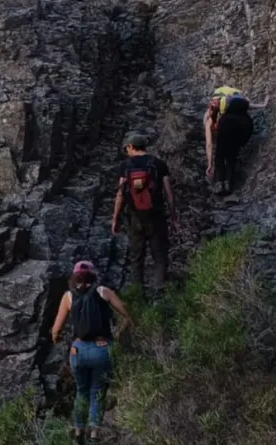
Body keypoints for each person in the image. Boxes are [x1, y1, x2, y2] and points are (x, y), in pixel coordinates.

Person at [52, 261, 132, 444]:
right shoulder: (103, 292)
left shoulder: (68, 296)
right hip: (102, 348)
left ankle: (79, 430)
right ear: (93, 275)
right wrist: (123, 332)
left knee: (81, 391)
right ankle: (94, 433)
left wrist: (56, 339)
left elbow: (56, 329)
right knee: (97, 391)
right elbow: (126, 314)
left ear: (75, 277)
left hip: (78, 349)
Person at [111, 133, 177, 293]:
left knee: (136, 258)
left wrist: (115, 218)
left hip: (134, 217)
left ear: (130, 147)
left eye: (126, 149)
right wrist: (173, 216)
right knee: (160, 256)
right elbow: (169, 193)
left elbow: (120, 194)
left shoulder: (125, 166)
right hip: (156, 216)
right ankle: (158, 292)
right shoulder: (159, 164)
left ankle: (137, 295)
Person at [204, 86, 267, 195]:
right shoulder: (230, 99)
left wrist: (210, 164)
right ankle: (228, 183)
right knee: (232, 155)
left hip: (228, 125)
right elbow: (248, 106)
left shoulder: (210, 119)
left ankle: (220, 183)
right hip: (246, 125)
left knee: (219, 155)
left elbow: (209, 144)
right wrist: (263, 105)